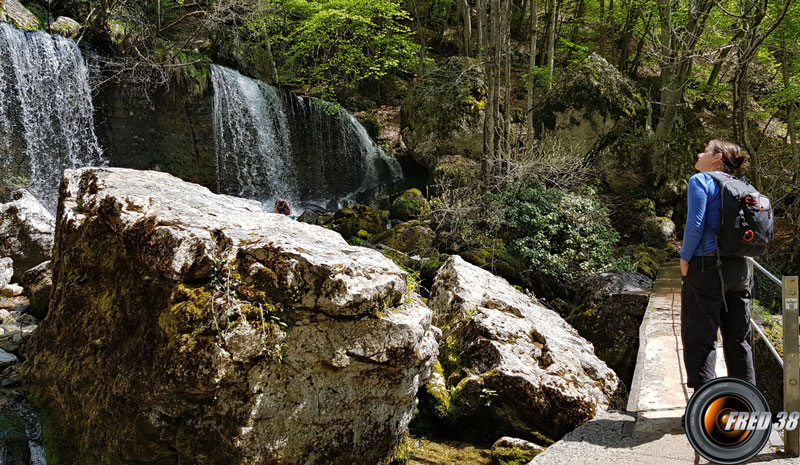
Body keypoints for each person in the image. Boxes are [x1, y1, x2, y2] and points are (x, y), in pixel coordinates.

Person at [680, 139, 755, 389]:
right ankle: (747, 408)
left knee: (700, 337)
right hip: (740, 269)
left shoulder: (700, 181)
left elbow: (695, 224)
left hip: (706, 267)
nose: (699, 153)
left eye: (706, 150)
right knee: (739, 340)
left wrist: (684, 258)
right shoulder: (743, 185)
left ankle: (704, 411)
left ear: (718, 158)